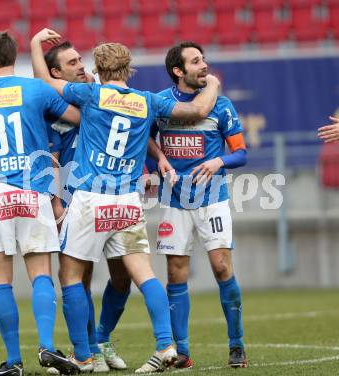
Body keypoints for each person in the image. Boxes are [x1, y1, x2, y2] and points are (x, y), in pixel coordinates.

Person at [30, 28, 220, 373]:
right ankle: (165, 345)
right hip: (127, 202)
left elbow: (44, 82)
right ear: (128, 67)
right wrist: (215, 85)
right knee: (145, 275)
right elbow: (198, 109)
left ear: (98, 69)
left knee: (71, 275)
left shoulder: (90, 94)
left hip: (90, 199)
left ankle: (84, 357)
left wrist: (32, 46)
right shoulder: (148, 100)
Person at [0, 31, 81, 376]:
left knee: (1, 280)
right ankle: (46, 347)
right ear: (13, 56)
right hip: (32, 189)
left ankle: (13, 362)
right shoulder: (36, 89)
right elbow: (75, 118)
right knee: (41, 272)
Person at [150, 41, 248, 368]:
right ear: (178, 71)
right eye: (195, 61)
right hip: (174, 201)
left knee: (221, 267)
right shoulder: (161, 103)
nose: (203, 65)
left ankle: (236, 345)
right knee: (176, 273)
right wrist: (157, 164)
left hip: (212, 199)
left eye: (203, 59)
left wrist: (219, 161)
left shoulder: (221, 105)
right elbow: (146, 139)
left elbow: (240, 152)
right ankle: (183, 352)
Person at [42, 40, 130, 373]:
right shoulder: (52, 109)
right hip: (74, 201)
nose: (82, 65)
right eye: (72, 62)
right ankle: (89, 350)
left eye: (82, 59)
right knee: (78, 277)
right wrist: (57, 205)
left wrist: (151, 167)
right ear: (56, 73)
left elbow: (130, 140)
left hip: (114, 196)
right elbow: (48, 159)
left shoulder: (104, 97)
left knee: (123, 275)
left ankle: (101, 340)